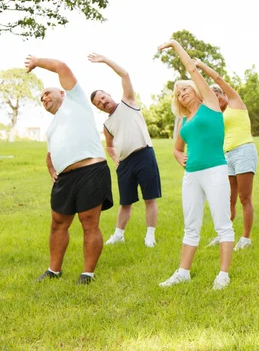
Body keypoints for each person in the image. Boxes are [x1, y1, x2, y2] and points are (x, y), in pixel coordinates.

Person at [157, 39, 234, 290]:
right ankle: (183, 272)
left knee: (222, 223)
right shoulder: (184, 121)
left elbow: (192, 69)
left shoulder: (210, 104)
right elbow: (177, 149)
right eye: (178, 93)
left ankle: (223, 275)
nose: (182, 93)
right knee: (190, 225)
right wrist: (181, 159)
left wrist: (175, 45)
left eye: (185, 89)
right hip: (192, 175)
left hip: (215, 169)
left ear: (196, 90)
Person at [29, 55, 113, 285]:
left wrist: (36, 61)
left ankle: (87, 274)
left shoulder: (76, 101)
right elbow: (50, 155)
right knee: (57, 223)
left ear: (63, 93)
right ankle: (53, 270)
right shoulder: (51, 128)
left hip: (91, 170)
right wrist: (51, 168)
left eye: (47, 93)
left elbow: (61, 66)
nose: (44, 97)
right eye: (41, 97)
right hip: (65, 179)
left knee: (88, 222)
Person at [88, 53, 161, 248]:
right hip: (125, 163)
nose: (103, 102)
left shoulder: (128, 101)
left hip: (144, 154)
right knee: (125, 202)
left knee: (149, 198)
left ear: (109, 95)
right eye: (99, 103)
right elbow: (109, 146)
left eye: (103, 97)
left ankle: (150, 235)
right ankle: (119, 235)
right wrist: (115, 159)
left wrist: (104, 60)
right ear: (98, 107)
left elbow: (125, 74)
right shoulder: (107, 124)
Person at [193, 58, 258, 251]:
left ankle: (246, 238)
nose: (215, 99)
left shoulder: (236, 103)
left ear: (222, 94)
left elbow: (219, 78)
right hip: (226, 156)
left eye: (216, 95)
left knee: (245, 198)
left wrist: (200, 66)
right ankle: (224, 235)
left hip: (244, 151)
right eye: (210, 97)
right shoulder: (216, 115)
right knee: (228, 198)